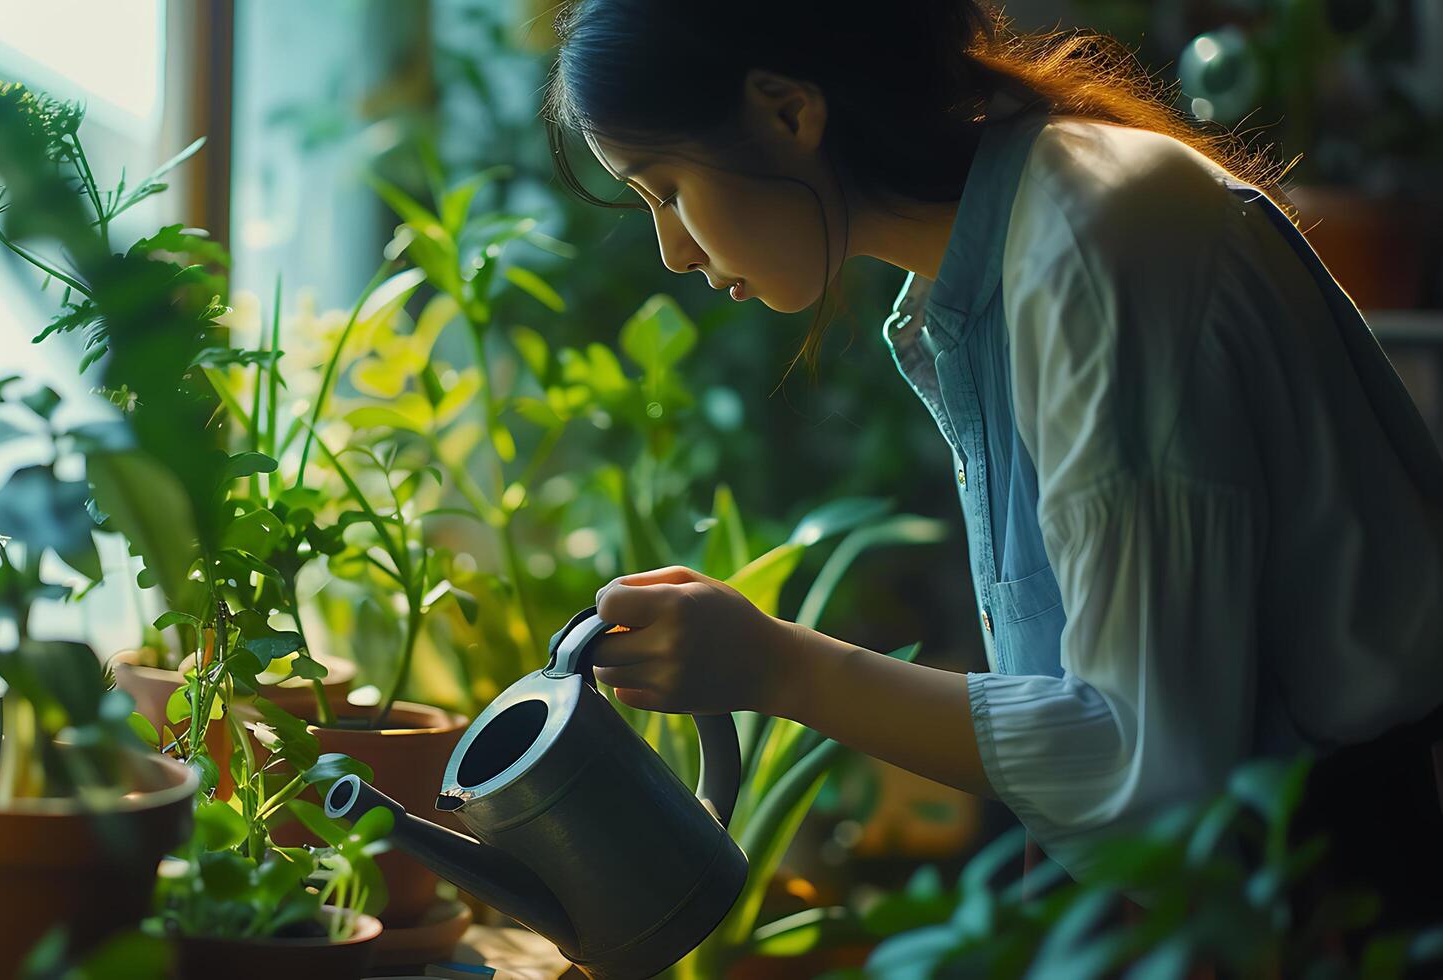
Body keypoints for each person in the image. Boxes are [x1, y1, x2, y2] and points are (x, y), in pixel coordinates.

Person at [542, 0, 1443, 933]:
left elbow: (1147, 761)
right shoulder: (1011, 251)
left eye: (665, 189)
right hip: (1212, 877)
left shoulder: (1096, 242)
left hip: (1326, 890)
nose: (671, 252)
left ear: (786, 112)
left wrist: (778, 667)